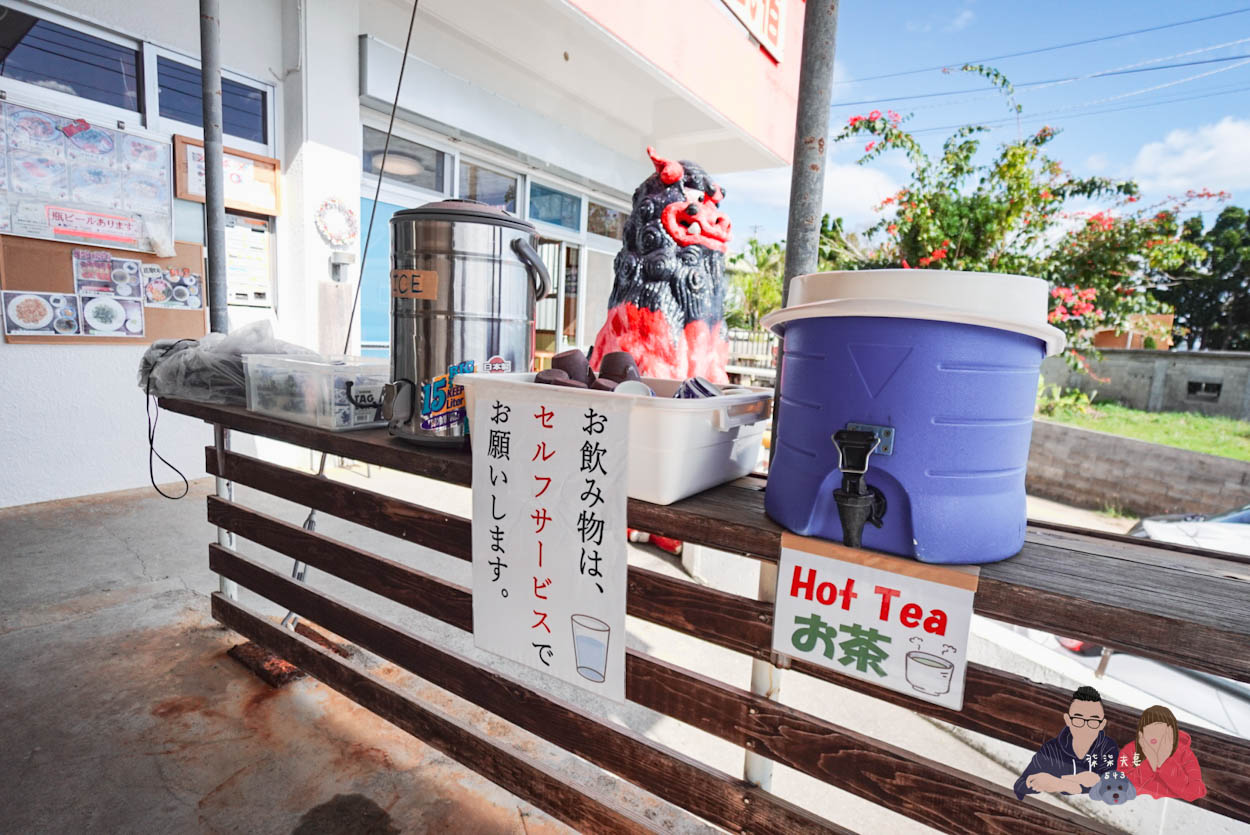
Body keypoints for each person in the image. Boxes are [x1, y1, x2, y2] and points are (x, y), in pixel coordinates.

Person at [1014, 685, 1120, 800]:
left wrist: (1059, 783)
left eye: (1093, 721)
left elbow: (1111, 787)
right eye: (1078, 720)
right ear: (1068, 720)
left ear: (1102, 724)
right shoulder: (1052, 749)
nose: (1085, 727)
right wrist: (1068, 783)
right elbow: (1020, 786)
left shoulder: (1107, 748)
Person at [1119, 705, 1206, 801]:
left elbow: (1195, 792)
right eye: (1148, 730)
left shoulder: (1184, 754)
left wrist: (1164, 761)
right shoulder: (1133, 749)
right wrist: (1150, 761)